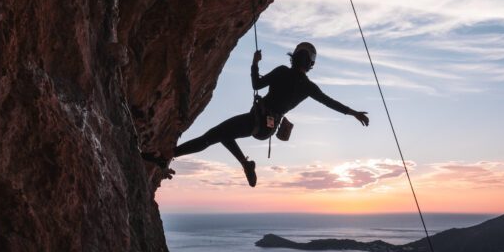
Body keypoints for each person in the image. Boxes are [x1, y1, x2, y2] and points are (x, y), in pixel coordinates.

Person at [142, 42, 369, 187]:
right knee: (222, 135)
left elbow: (256, 84)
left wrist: (254, 63)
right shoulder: (308, 87)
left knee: (212, 135)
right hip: (267, 128)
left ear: (295, 56)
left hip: (256, 119)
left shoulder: (282, 71)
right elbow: (329, 102)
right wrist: (353, 113)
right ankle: (245, 164)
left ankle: (167, 155)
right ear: (310, 64)